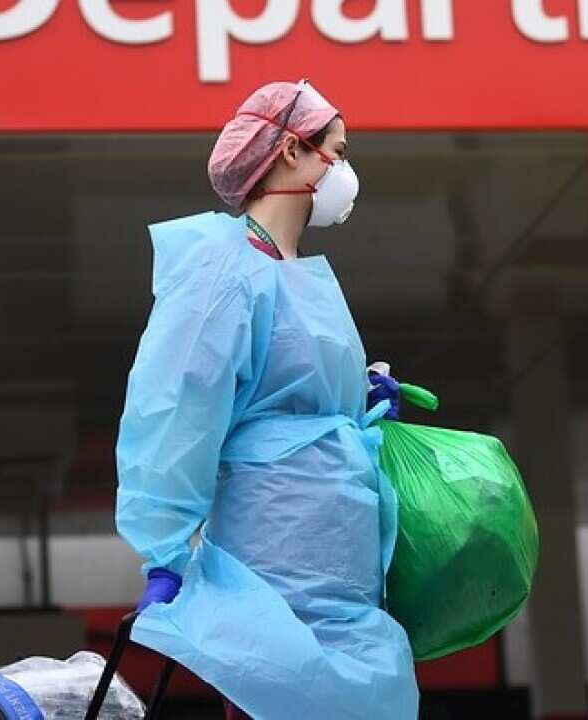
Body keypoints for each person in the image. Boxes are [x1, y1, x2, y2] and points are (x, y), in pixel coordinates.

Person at [114, 80, 417, 720]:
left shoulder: (300, 272)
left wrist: (363, 405)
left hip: (341, 565)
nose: (344, 168)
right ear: (290, 153)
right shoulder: (221, 269)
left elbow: (296, 400)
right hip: (272, 559)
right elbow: (177, 409)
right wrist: (164, 552)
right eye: (335, 150)